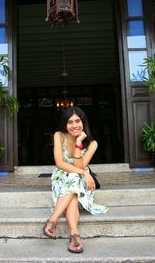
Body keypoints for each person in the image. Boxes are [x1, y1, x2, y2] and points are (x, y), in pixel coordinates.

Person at [43, 106, 109, 253]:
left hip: (79, 180)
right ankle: (74, 235)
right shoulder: (59, 135)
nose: (74, 125)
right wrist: (85, 173)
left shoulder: (92, 144)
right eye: (70, 122)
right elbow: (60, 163)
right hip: (62, 177)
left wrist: (79, 143)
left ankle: (52, 221)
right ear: (65, 125)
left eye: (77, 121)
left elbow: (81, 165)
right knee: (74, 182)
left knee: (74, 182)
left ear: (83, 122)